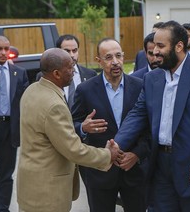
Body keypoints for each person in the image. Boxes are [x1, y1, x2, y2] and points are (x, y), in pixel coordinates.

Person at [114, 20, 190, 212]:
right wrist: (117, 144)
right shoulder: (151, 78)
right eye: (154, 46)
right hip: (161, 167)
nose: (155, 51)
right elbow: (138, 114)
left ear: (179, 46)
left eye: (161, 46)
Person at [17, 48, 120, 212]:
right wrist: (107, 155)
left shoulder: (32, 90)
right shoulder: (54, 105)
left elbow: (47, 131)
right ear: (57, 74)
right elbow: (74, 150)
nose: (74, 71)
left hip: (31, 186)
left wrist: (81, 128)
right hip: (48, 194)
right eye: (70, 68)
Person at [72, 38, 149, 212]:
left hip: (133, 170)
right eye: (108, 57)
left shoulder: (140, 86)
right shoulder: (85, 90)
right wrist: (83, 128)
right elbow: (72, 124)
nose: (115, 62)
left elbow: (150, 127)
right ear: (98, 60)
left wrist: (137, 154)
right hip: (100, 172)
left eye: (118, 56)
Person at [0, 36, 29, 211]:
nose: (4, 53)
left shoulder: (19, 72)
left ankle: (3, 209)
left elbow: (26, 100)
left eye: (6, 49)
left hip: (9, 131)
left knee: (6, 176)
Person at [36, 34, 97, 109]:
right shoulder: (45, 76)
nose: (72, 55)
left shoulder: (90, 74)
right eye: (67, 51)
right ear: (58, 51)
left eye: (75, 50)